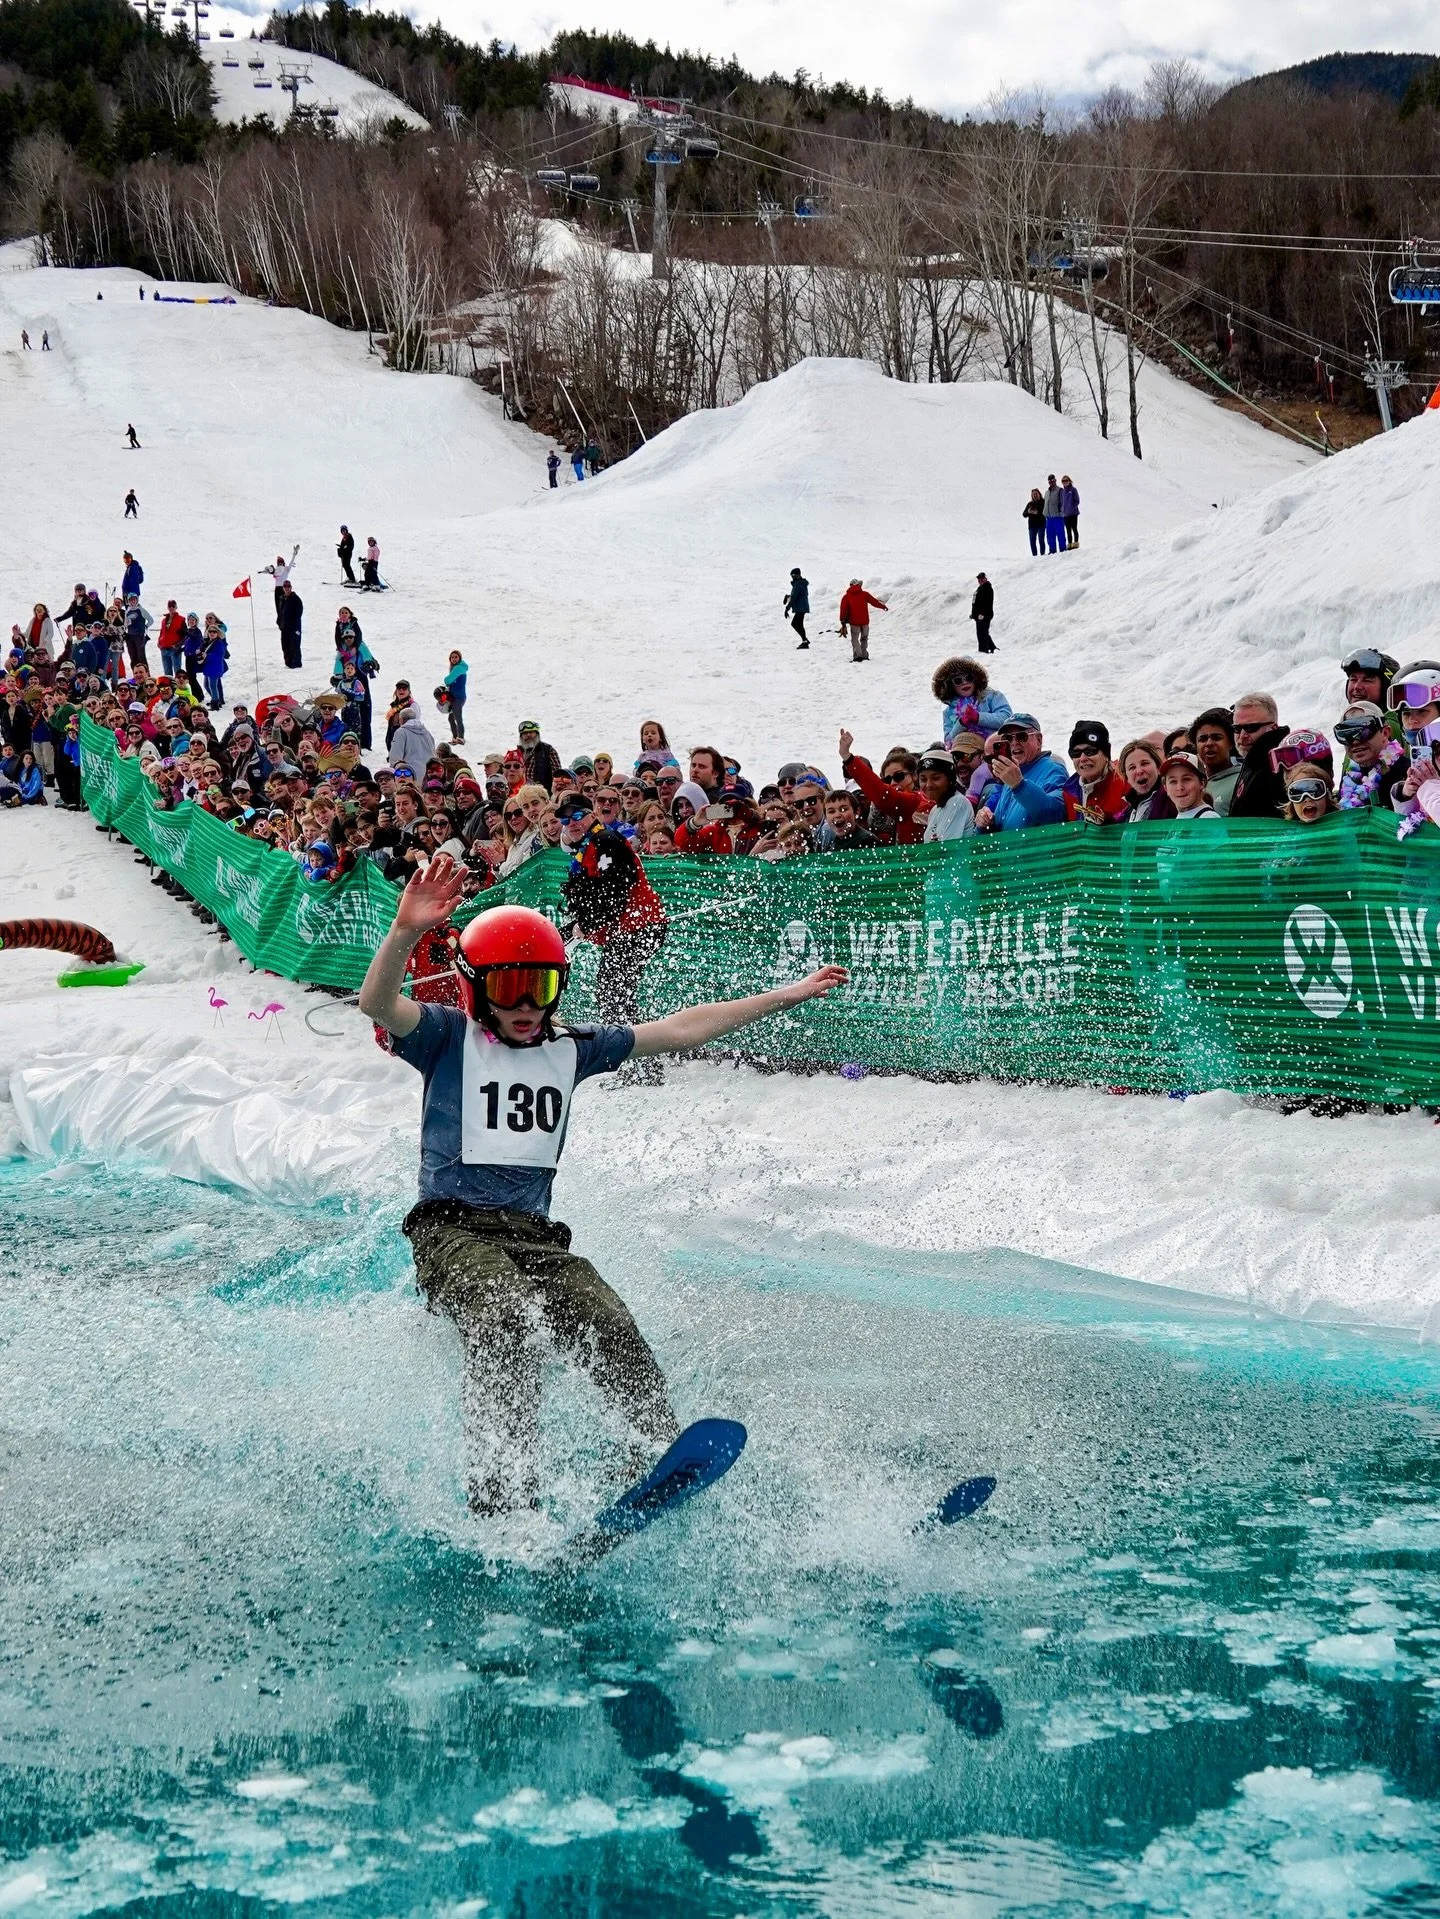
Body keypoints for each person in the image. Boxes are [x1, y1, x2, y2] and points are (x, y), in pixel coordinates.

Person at [359, 872, 848, 1516]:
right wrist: (404, 932)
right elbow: (378, 1004)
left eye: (542, 986)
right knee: (504, 1321)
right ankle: (504, 1499)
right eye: (509, 987)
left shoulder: (572, 1048)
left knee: (611, 1326)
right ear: (477, 990)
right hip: (450, 1232)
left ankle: (648, 1460)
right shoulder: (447, 1037)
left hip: (535, 1238)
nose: (527, 1003)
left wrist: (787, 995)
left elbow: (684, 1029)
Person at [973, 714, 1068, 832]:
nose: (1014, 743)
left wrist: (1019, 785)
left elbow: (1056, 815)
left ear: (1039, 740)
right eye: (1008, 738)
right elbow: (1003, 827)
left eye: (1021, 736)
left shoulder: (1053, 769)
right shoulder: (1012, 774)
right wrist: (985, 823)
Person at [1228, 694, 1289, 818]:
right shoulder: (1252, 760)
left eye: (1251, 728)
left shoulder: (1282, 765)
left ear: (1273, 728)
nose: (1242, 735)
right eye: (1237, 729)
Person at [1336, 702, 1407, 809]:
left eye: (1364, 732)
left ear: (1385, 733)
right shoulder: (1350, 776)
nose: (1355, 742)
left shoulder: (1406, 772)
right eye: (1347, 735)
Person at [933, 657, 1012, 744]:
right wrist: (961, 723)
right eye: (958, 680)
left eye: (969, 677)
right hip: (966, 755)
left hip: (995, 749)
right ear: (950, 686)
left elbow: (1007, 719)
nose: (964, 682)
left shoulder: (992, 696)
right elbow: (948, 741)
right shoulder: (948, 712)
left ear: (976, 679)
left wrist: (978, 717)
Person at [1063, 722, 1129, 823]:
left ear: (1106, 754)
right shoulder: (1069, 792)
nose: (1083, 758)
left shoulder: (1126, 778)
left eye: (1090, 751)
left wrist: (1109, 821)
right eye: (1076, 753)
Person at [917, 744, 977, 841]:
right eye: (923, 779)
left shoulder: (958, 803)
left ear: (950, 779)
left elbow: (944, 849)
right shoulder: (934, 810)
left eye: (936, 778)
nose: (928, 785)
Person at [1190, 708, 1240, 815]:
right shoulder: (1191, 784)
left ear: (1231, 743)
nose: (1209, 743)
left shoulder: (1242, 781)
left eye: (1217, 738)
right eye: (1202, 739)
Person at [1118, 739, 1176, 822]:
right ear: (1126, 777)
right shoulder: (1127, 810)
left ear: (1158, 767)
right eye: (1132, 767)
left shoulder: (1172, 800)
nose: (1139, 771)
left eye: (1144, 763)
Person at [838, 579, 887, 662]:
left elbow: (844, 609)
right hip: (865, 621)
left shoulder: (846, 597)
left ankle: (858, 656)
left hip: (854, 622)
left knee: (855, 639)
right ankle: (864, 655)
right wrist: (883, 606)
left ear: (850, 585)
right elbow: (874, 602)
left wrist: (843, 620)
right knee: (864, 638)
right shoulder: (865, 594)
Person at [1161, 751, 1220, 819]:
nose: (1180, 787)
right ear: (1165, 788)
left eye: (1186, 779)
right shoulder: (1181, 817)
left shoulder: (1208, 818)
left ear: (1202, 783)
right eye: (1173, 781)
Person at [388, 699, 436, 773]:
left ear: (401, 720)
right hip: (429, 773)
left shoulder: (401, 733)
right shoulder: (427, 733)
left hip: (410, 775)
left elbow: (395, 758)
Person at [519, 720, 561, 792]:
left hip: (542, 794)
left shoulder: (548, 750)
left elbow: (557, 776)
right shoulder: (516, 753)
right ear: (521, 736)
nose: (528, 735)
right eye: (525, 733)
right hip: (519, 794)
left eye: (531, 732)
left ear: (537, 734)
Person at [262, 544, 299, 621]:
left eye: (281, 563)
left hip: (284, 589)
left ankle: (285, 619)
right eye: (279, 563)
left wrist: (294, 554)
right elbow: (271, 570)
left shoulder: (286, 569)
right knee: (278, 607)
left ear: (283, 563)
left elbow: (291, 562)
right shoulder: (277, 570)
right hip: (277, 590)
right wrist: (268, 570)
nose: (280, 564)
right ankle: (280, 620)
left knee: (284, 607)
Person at [202, 621, 229, 709]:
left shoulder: (219, 643)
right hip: (209, 667)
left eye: (214, 632)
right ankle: (215, 699)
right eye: (210, 631)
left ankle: (215, 703)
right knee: (207, 685)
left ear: (218, 633)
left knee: (213, 686)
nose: (212, 633)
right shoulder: (209, 642)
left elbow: (218, 656)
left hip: (214, 668)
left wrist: (207, 656)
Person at [443, 651, 468, 743]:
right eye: (452, 657)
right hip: (455, 697)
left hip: (459, 697)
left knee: (458, 717)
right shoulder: (457, 668)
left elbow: (447, 680)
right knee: (451, 718)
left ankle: (460, 738)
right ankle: (455, 737)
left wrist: (447, 681)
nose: (454, 659)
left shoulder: (458, 668)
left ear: (459, 658)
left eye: (456, 657)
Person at [279, 580, 304, 669]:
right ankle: (288, 664)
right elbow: (281, 612)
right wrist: (279, 622)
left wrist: (295, 628)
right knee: (285, 646)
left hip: (294, 629)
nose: (286, 588)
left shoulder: (296, 599)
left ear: (291, 587)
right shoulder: (282, 599)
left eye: (288, 586)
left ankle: (296, 665)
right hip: (284, 628)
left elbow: (298, 615)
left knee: (294, 646)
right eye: (285, 587)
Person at [969, 573, 996, 654]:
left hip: (984, 615)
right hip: (979, 615)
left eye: (982, 579)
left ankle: (983, 651)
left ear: (985, 579)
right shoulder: (981, 588)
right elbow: (976, 602)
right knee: (983, 632)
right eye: (979, 579)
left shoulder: (987, 588)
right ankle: (992, 647)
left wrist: (982, 613)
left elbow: (987, 603)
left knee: (982, 633)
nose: (980, 580)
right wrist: (973, 614)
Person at [784, 568, 810, 647]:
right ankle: (805, 641)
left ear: (798, 574)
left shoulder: (798, 584)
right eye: (792, 575)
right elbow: (799, 595)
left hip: (800, 608)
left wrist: (787, 608)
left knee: (795, 623)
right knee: (799, 624)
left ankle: (805, 641)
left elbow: (794, 597)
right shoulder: (801, 583)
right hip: (802, 607)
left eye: (794, 575)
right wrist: (788, 597)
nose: (792, 577)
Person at [1043, 474, 1066, 554]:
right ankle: (1052, 551)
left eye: (1052, 481)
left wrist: (1061, 513)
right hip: (1049, 518)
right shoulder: (1046, 492)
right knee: (1050, 536)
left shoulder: (1060, 490)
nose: (1051, 482)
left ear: (1055, 481)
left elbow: (1063, 503)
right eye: (1049, 481)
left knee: (1060, 535)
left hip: (1058, 517)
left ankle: (1063, 550)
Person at [1023, 488, 1046, 557]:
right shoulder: (1030, 504)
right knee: (1032, 542)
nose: (1035, 495)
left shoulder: (1043, 502)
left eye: (1036, 494)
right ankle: (1035, 557)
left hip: (1041, 525)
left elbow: (1045, 513)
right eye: (1033, 494)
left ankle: (1042, 556)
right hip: (1032, 526)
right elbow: (1024, 514)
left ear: (1039, 494)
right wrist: (1028, 512)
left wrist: (1037, 513)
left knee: (1041, 541)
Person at [1060, 474, 1080, 548]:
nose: (1064, 482)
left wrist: (1072, 507)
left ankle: (1076, 543)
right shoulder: (1063, 491)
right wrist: (1063, 509)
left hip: (1073, 513)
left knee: (1074, 528)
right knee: (1068, 530)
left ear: (1069, 481)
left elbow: (1077, 500)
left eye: (1066, 480)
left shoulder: (1073, 489)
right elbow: (1062, 502)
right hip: (1066, 514)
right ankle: (1070, 544)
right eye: (1063, 481)